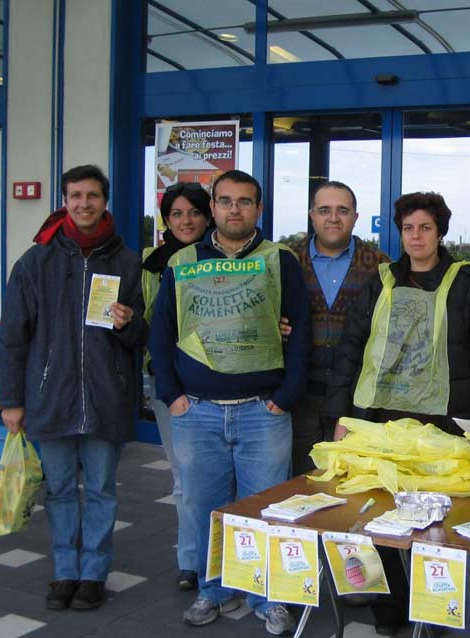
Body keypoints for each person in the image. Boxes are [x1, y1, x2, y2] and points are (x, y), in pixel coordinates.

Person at [326, 191, 470, 634]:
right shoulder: (381, 283)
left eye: (425, 227)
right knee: (375, 518)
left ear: (440, 231)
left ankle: (435, 614)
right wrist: (340, 416)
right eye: (408, 228)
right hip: (381, 423)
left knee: (438, 528)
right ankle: (387, 614)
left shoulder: (468, 287)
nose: (415, 236)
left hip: (443, 426)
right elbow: (352, 351)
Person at [149, 170, 310, 635]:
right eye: (225, 201)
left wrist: (285, 398)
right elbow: (161, 335)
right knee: (205, 508)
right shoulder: (182, 262)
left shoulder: (279, 260)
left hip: (263, 411)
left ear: (259, 209)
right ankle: (213, 590)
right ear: (213, 207)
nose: (234, 210)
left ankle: (266, 596)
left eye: (244, 202)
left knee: (263, 509)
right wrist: (173, 397)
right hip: (196, 411)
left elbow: (300, 331)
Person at [0, 164, 148, 611]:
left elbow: (142, 336)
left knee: (102, 489)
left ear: (105, 202)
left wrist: (129, 323)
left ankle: (94, 573)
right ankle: (65, 571)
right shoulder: (36, 261)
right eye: (76, 195)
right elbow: (12, 336)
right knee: (60, 491)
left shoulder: (125, 261)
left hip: (107, 398)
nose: (84, 204)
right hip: (49, 399)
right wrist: (11, 400)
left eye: (92, 196)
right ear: (64, 201)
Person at [288, 180, 389, 475]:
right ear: (312, 215)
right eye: (324, 210)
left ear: (355, 216)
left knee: (351, 484)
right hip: (299, 399)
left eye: (342, 210)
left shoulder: (380, 265)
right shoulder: (286, 260)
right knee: (300, 485)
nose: (333, 218)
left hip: (356, 402)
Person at [142, 182, 213, 591]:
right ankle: (190, 560)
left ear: (207, 216)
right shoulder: (152, 265)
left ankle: (225, 556)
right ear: (166, 220)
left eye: (194, 213)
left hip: (220, 383)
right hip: (171, 382)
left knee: (225, 479)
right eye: (176, 214)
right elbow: (145, 326)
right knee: (185, 477)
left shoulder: (230, 260)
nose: (186, 221)